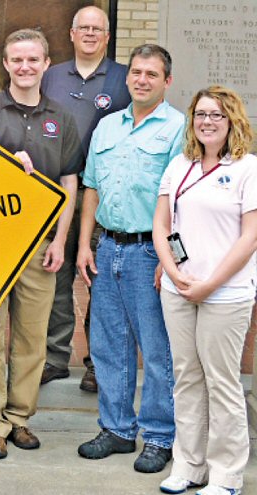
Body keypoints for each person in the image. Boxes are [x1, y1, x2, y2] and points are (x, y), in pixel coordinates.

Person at [0, 28, 82, 459]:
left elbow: (69, 182)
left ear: (46, 64)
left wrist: (60, 239)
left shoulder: (61, 117)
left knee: (33, 337)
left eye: (33, 59)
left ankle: (20, 419)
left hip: (40, 246)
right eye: (17, 59)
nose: (25, 66)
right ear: (6, 64)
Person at [76, 44, 184, 474]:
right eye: (136, 72)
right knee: (108, 346)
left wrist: (171, 259)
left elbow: (183, 199)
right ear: (128, 77)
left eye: (151, 74)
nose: (141, 80)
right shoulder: (106, 127)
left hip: (148, 253)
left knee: (157, 352)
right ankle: (118, 429)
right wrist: (85, 244)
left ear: (166, 82)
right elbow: (91, 188)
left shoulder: (179, 129)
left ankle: (160, 437)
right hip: (108, 248)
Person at [153, 86, 256, 495]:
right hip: (178, 291)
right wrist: (172, 272)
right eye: (200, 114)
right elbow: (161, 225)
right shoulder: (180, 165)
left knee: (222, 381)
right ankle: (189, 466)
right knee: (186, 378)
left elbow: (250, 238)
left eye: (216, 115)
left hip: (226, 295)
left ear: (232, 121)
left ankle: (226, 474)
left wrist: (210, 283)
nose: (207, 122)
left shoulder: (248, 168)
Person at [40, 5, 130, 392]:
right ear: (72, 34)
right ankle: (54, 357)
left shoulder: (126, 79)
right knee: (55, 273)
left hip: (103, 194)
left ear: (107, 37)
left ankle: (97, 361)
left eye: (98, 29)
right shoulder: (50, 76)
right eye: (84, 28)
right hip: (55, 192)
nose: (91, 34)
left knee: (101, 278)